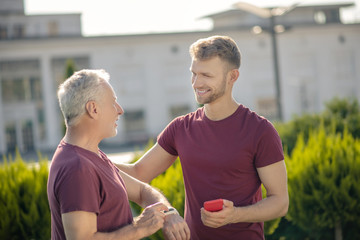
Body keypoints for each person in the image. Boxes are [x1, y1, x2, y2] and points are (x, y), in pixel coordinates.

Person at [116, 35, 289, 239]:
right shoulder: (180, 128)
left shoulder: (260, 130)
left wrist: (235, 215)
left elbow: (280, 202)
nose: (197, 83)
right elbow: (138, 172)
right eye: (194, 74)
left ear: (232, 76)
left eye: (206, 75)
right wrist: (88, 157)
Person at [47, 69, 190, 240]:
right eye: (113, 103)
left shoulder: (91, 155)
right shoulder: (77, 168)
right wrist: (139, 228)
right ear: (93, 109)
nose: (120, 110)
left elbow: (142, 190)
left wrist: (169, 213)